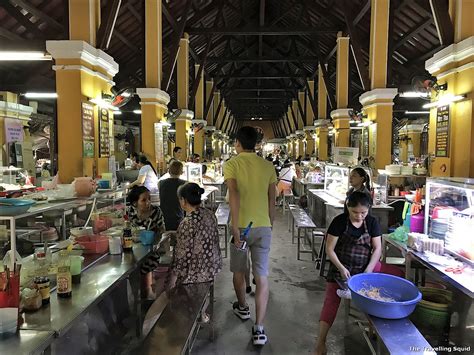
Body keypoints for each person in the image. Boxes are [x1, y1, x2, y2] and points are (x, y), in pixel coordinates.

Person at [314, 192, 404, 354]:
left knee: (383, 289)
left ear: (369, 209)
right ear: (348, 208)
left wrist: (369, 270)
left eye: (363, 212)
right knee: (331, 301)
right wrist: (341, 268)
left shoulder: (372, 222)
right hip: (341, 268)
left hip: (365, 268)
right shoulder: (339, 222)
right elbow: (329, 249)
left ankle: (374, 329)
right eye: (355, 212)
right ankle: (320, 343)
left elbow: (377, 249)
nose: (359, 216)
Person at [224, 126, 277, 346]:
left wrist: (236, 228)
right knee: (261, 276)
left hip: (241, 227)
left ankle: (243, 308)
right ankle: (259, 328)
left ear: (237, 142)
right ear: (256, 143)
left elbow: (233, 194)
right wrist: (270, 225)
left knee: (239, 269)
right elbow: (272, 199)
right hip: (263, 226)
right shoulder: (268, 166)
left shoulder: (232, 164)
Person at [127, 186, 166, 299]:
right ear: (135, 203)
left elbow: (162, 231)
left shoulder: (156, 211)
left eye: (149, 199)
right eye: (143, 200)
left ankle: (146, 294)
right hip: (134, 247)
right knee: (131, 267)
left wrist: (154, 241)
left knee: (145, 264)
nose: (148, 202)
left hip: (152, 248)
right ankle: (136, 297)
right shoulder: (130, 212)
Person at [159, 161, 186, 231]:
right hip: (178, 217)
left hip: (164, 218)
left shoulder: (160, 183)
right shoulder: (185, 184)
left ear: (169, 170)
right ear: (181, 171)